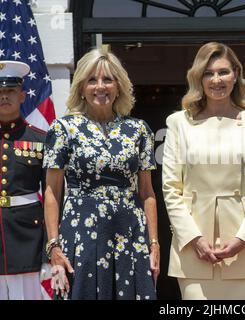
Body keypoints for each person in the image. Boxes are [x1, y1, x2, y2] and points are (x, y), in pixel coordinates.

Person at [43, 48, 159, 300]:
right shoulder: (63, 129)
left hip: (129, 235)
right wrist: (53, 245)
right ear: (81, 87)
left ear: (119, 85)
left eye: (108, 79)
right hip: (81, 235)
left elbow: (147, 192)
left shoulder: (138, 130)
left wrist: (154, 244)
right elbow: (52, 191)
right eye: (92, 80)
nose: (100, 86)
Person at [162, 42, 245, 300]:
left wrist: (244, 239)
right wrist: (193, 239)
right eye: (208, 73)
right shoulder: (178, 123)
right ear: (198, 78)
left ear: (236, 73)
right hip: (192, 250)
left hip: (243, 251)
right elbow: (170, 188)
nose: (216, 80)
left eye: (223, 72)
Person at [0, 60, 46, 299]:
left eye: (10, 90)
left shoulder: (40, 139)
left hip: (27, 238)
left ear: (22, 95)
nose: (4, 96)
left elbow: (52, 194)